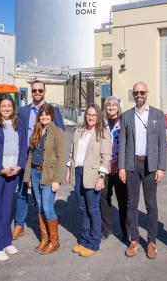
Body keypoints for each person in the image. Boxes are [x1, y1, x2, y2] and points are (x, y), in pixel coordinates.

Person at [118, 81, 166, 259]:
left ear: (147, 93)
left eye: (142, 93)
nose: (139, 96)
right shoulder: (127, 116)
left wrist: (161, 167)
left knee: (151, 204)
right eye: (136, 93)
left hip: (151, 166)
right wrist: (122, 166)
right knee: (131, 204)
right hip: (131, 165)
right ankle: (134, 239)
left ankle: (152, 242)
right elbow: (122, 143)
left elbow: (162, 144)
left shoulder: (158, 115)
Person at [13, 80, 64, 240]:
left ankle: (49, 236)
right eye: (34, 90)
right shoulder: (23, 111)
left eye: (40, 90)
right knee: (22, 191)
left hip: (46, 160)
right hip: (27, 157)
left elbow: (60, 134)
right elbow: (17, 134)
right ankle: (19, 224)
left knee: (44, 200)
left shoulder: (53, 111)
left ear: (44, 91)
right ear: (31, 91)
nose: (37, 93)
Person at [0, 94, 27, 261]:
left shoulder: (18, 123)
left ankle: (6, 241)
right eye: (3, 106)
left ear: (13, 107)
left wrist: (19, 165)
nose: (7, 109)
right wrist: (1, 169)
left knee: (7, 207)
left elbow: (23, 145)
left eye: (9, 106)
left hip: (13, 171)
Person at [66, 103, 112, 257]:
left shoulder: (102, 132)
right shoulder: (79, 131)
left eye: (94, 115)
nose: (91, 117)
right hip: (78, 172)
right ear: (85, 115)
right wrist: (68, 169)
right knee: (83, 209)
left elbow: (106, 158)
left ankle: (94, 243)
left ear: (99, 116)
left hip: (93, 175)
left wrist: (101, 177)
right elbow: (72, 151)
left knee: (93, 210)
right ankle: (84, 240)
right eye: (89, 114)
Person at [24, 103, 66, 254]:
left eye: (47, 114)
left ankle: (54, 241)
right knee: (40, 206)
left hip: (49, 175)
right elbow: (30, 156)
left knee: (48, 208)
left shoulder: (58, 132)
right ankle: (44, 239)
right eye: (41, 114)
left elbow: (61, 158)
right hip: (35, 173)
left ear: (52, 115)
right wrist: (27, 176)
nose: (44, 117)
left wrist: (57, 180)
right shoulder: (36, 131)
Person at [100, 96, 127, 240]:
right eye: (108, 104)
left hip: (120, 167)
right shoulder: (101, 123)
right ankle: (106, 228)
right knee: (104, 198)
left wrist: (121, 164)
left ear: (118, 107)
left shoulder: (124, 122)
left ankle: (125, 229)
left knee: (123, 199)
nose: (111, 107)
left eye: (114, 104)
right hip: (104, 167)